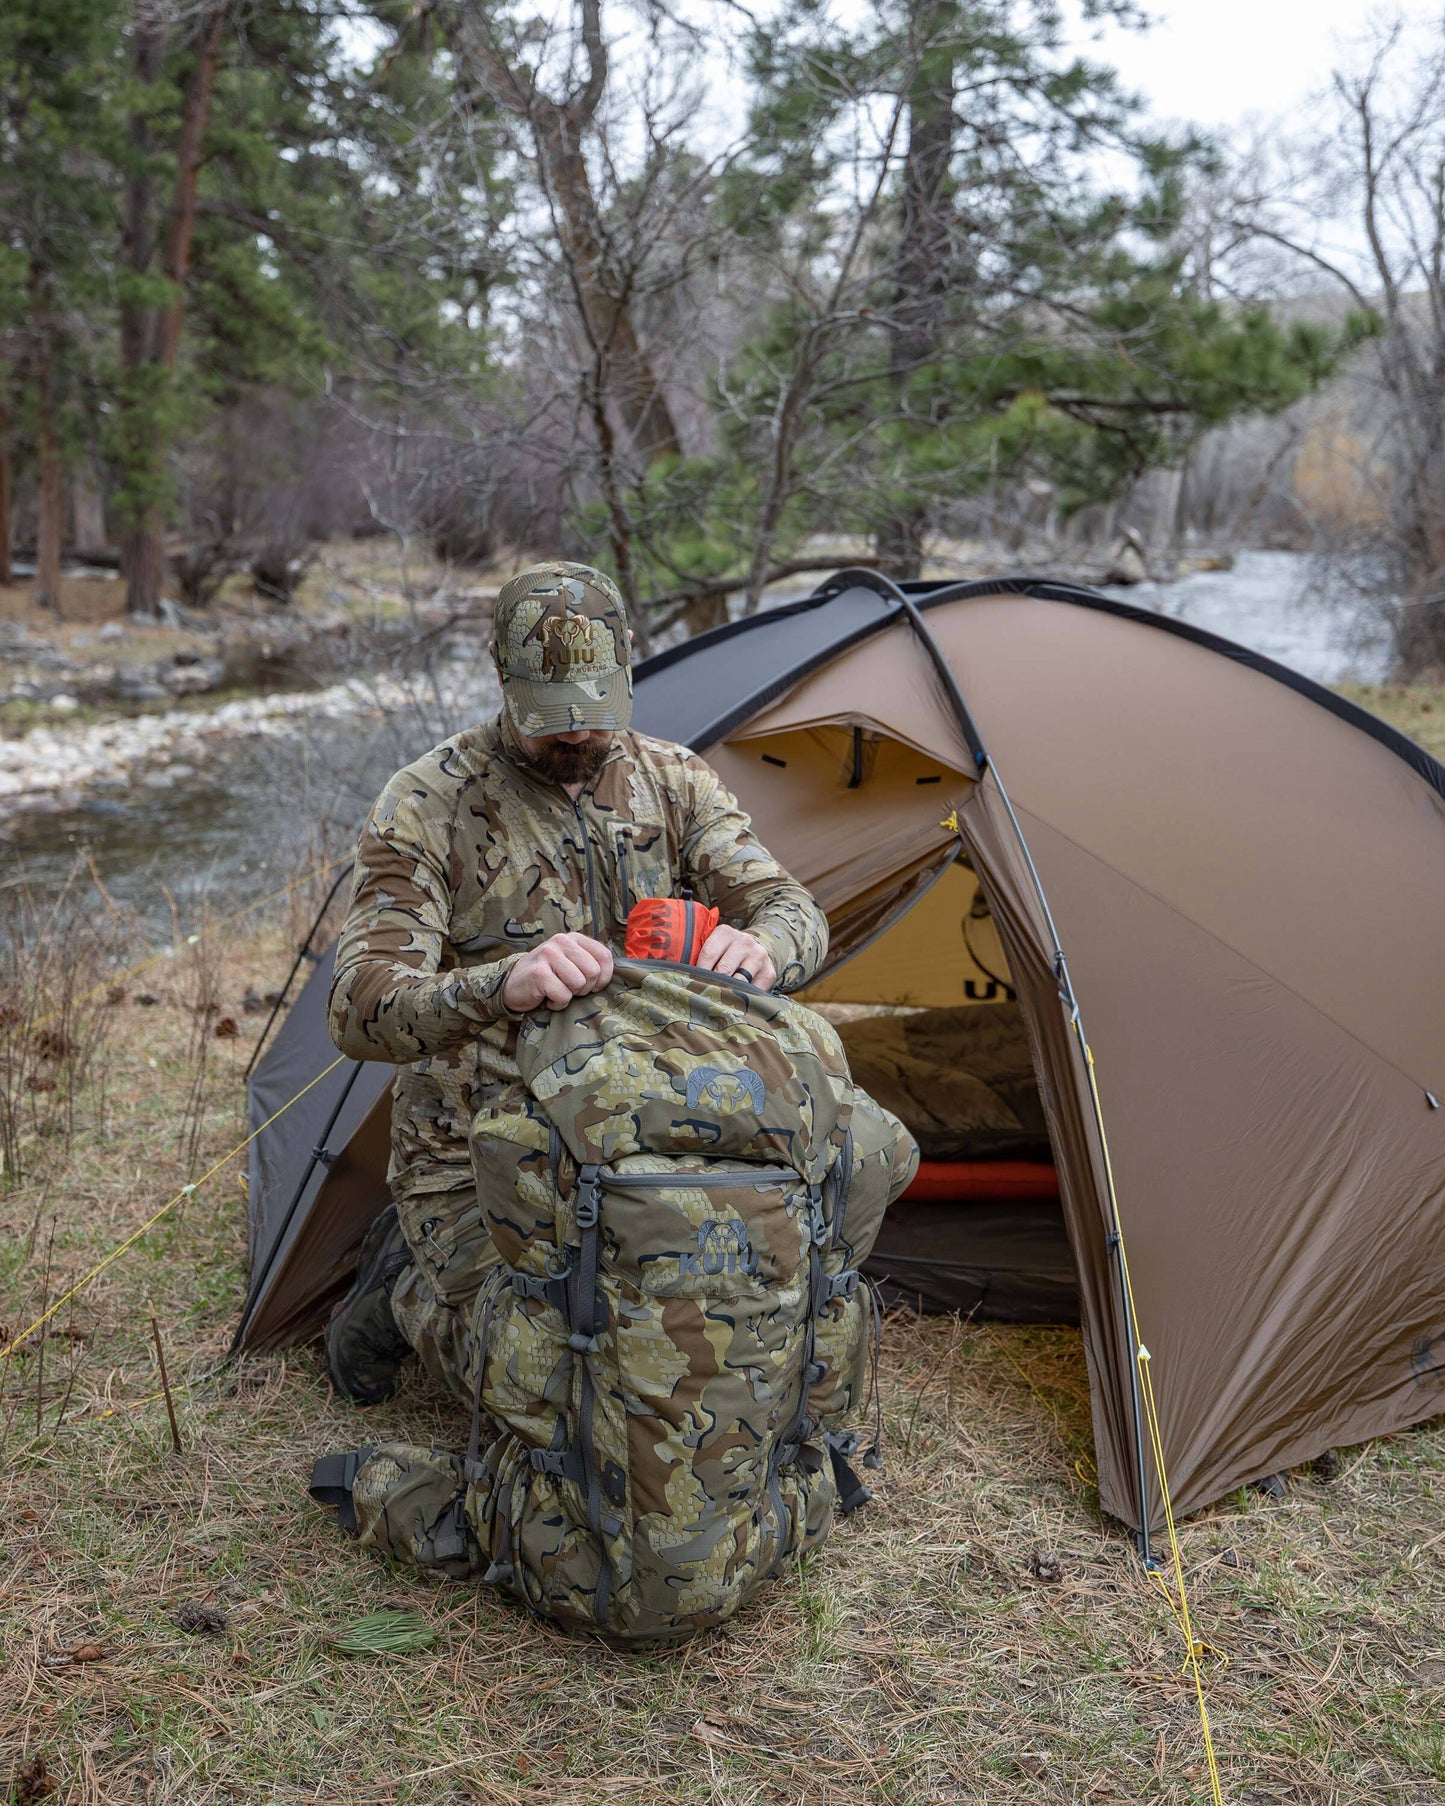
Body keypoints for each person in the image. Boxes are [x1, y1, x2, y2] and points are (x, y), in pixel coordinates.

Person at [324, 560, 829, 1408]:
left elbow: (791, 906)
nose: (573, 738)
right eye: (548, 716)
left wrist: (765, 948)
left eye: (592, 712)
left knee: (708, 1359)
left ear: (627, 664)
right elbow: (358, 1007)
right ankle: (406, 1293)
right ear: (501, 677)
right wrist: (500, 984)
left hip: (648, 1133)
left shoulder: (673, 781)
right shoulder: (427, 802)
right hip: (477, 1149)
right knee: (558, 1390)